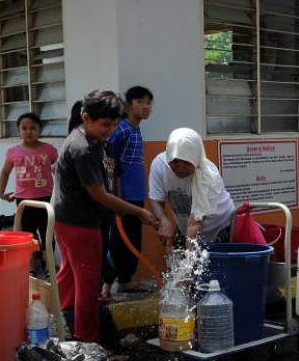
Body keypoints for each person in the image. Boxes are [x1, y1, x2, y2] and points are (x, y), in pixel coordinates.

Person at [53, 90, 158, 343]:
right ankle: (89, 343)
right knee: (88, 286)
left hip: (68, 221)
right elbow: (98, 194)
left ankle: (66, 324)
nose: (110, 130)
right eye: (105, 125)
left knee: (69, 276)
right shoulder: (83, 148)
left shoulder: (90, 138)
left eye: (113, 125)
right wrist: (138, 211)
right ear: (86, 117)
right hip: (80, 225)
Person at [149, 128, 236, 250]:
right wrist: (163, 220)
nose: (180, 168)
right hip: (186, 227)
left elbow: (194, 224)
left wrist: (189, 265)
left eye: (186, 163)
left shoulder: (208, 175)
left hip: (219, 228)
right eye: (175, 162)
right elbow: (155, 200)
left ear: (195, 159)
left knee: (208, 267)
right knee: (178, 262)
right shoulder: (160, 165)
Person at [105, 86, 154, 296]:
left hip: (136, 194)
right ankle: (106, 285)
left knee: (133, 240)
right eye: (140, 102)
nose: (145, 107)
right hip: (122, 197)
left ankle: (125, 281)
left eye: (149, 103)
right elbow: (109, 160)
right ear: (128, 105)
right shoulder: (122, 129)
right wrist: (115, 195)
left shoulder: (135, 128)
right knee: (118, 241)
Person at [0, 112, 58, 274]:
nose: (28, 131)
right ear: (19, 131)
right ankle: (30, 269)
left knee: (47, 234)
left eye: (33, 128)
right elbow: (5, 172)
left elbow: (57, 169)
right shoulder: (13, 152)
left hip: (46, 199)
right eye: (24, 128)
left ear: (40, 130)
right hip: (24, 201)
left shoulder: (49, 150)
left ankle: (48, 268)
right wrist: (1, 192)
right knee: (28, 236)